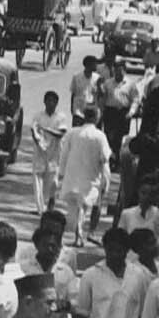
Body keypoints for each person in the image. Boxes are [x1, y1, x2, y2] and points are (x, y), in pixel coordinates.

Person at [56, 106, 114, 237]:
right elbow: (105, 158)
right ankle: (89, 232)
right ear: (97, 118)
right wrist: (106, 179)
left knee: (76, 206)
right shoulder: (100, 136)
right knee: (94, 204)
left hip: (73, 177)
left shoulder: (72, 133)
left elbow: (63, 154)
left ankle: (79, 230)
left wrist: (61, 173)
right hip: (92, 177)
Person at [27, 90, 67, 216]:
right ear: (44, 102)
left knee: (52, 182)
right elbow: (34, 131)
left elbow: (61, 133)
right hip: (40, 152)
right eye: (48, 101)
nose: (51, 103)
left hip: (54, 153)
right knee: (37, 179)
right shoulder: (38, 116)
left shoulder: (60, 117)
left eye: (53, 101)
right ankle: (40, 209)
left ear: (56, 103)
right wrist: (39, 142)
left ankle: (50, 207)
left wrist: (46, 130)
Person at [70, 54, 102, 120]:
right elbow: (73, 93)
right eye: (95, 63)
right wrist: (72, 107)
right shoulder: (76, 77)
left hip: (92, 112)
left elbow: (100, 95)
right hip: (79, 111)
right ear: (88, 65)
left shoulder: (97, 78)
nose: (96, 65)